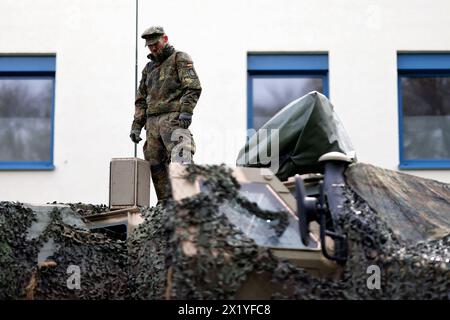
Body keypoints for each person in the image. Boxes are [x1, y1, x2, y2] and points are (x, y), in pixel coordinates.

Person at [130, 26, 202, 205]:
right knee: (155, 163)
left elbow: (192, 87)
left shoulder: (179, 58)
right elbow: (141, 100)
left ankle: (188, 200)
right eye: (149, 45)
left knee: (181, 158)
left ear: (165, 39)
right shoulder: (148, 68)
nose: (153, 48)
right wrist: (136, 126)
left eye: (155, 43)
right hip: (152, 123)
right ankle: (164, 205)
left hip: (173, 119)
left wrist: (186, 111)